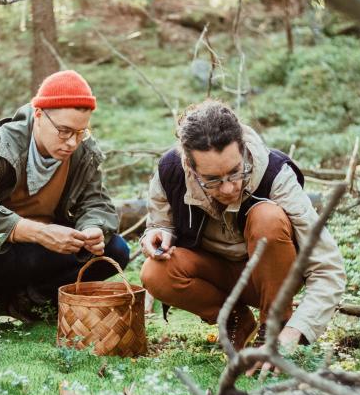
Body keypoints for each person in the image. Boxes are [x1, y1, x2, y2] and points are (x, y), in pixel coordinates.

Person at [139, 100, 345, 365]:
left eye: (236, 172)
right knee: (154, 272)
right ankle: (237, 321)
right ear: (190, 167)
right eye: (213, 179)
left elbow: (328, 267)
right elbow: (159, 223)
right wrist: (158, 233)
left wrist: (295, 332)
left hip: (270, 274)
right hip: (212, 274)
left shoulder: (276, 176)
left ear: (244, 149)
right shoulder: (170, 172)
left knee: (267, 218)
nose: (228, 188)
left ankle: (272, 330)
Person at [0, 70, 129, 319]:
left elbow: (96, 201)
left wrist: (93, 227)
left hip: (37, 253)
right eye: (64, 131)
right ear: (39, 115)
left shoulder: (83, 153)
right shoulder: (0, 144)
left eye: (81, 132)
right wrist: (40, 233)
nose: (72, 142)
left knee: (114, 249)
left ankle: (29, 302)